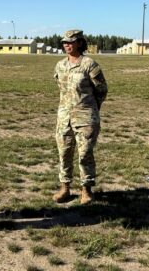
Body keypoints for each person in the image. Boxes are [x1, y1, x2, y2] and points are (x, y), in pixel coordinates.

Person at [53, 29, 108, 204]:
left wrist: (92, 108)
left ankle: (86, 189)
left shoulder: (90, 65)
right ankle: (65, 188)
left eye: (70, 42)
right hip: (64, 117)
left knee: (85, 154)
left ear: (79, 43)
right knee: (64, 153)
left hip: (85, 117)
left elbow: (102, 90)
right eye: (64, 42)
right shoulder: (60, 65)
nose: (66, 45)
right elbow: (61, 89)